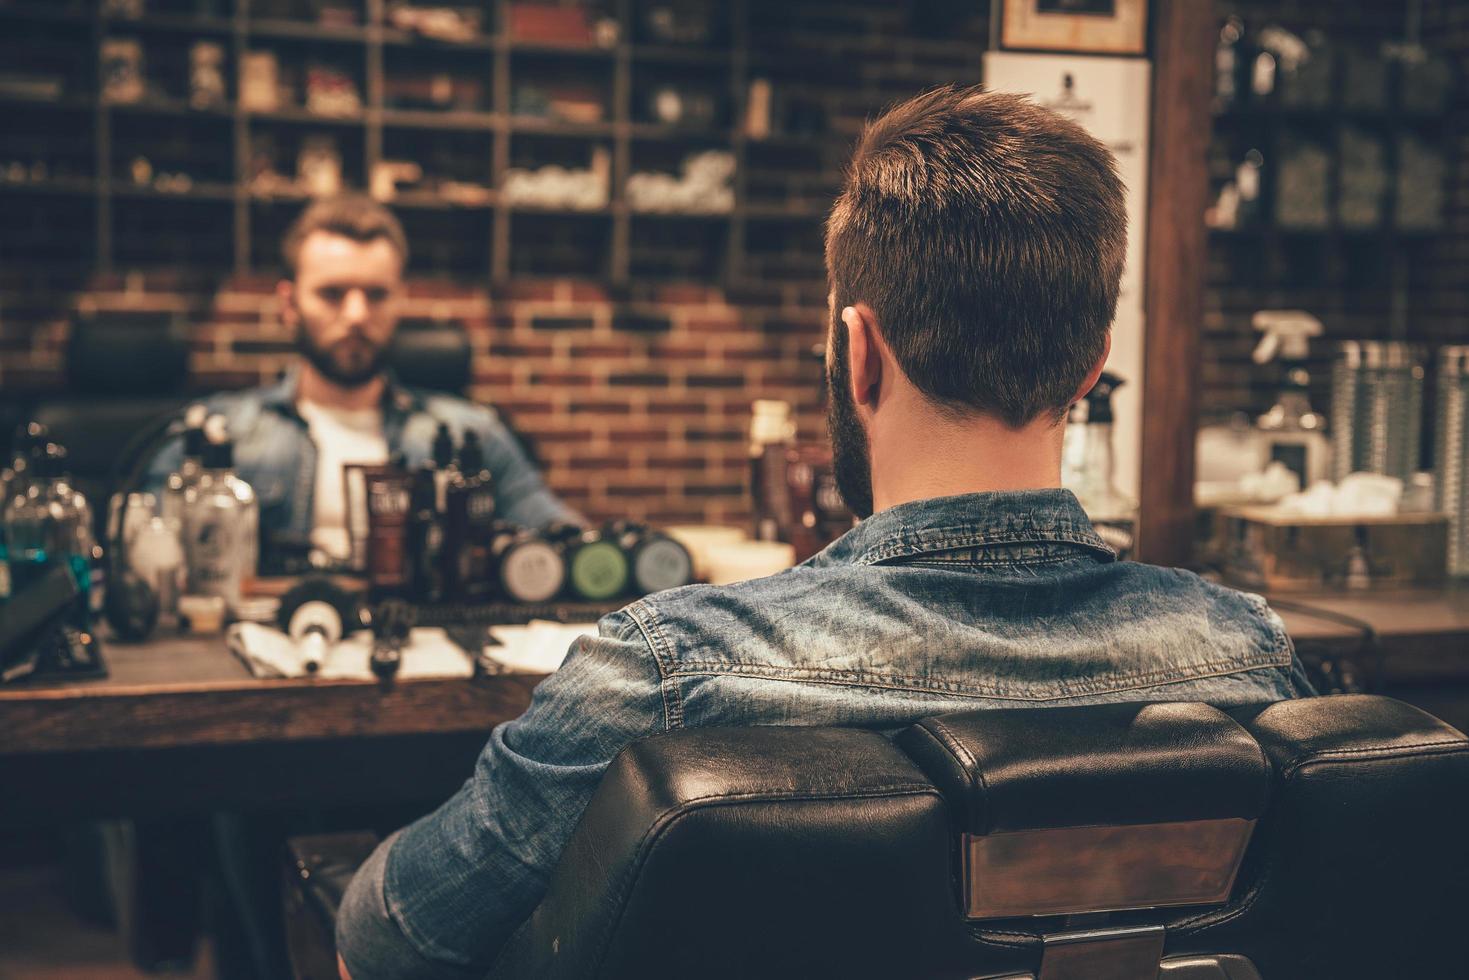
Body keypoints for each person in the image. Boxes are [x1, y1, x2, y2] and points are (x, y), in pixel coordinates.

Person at [336, 86, 1314, 978]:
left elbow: (391, 937)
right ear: (1091, 364)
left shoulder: (662, 672)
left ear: (856, 350)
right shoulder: (1245, 653)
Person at [146, 195, 575, 570]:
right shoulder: (215, 434)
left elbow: (565, 540)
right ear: (289, 304)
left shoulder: (472, 434)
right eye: (332, 294)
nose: (356, 315)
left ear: (399, 300)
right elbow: (142, 553)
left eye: (376, 295)